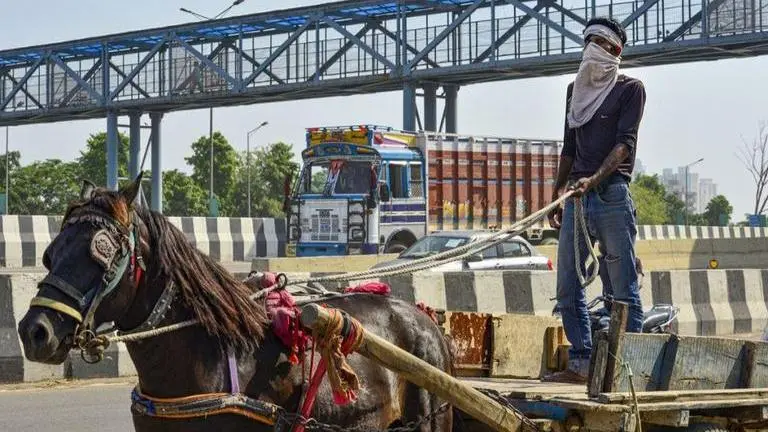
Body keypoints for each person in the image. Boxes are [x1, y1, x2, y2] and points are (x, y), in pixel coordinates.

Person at [543, 16, 647, 384]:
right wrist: (558, 192)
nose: (595, 50)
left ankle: (626, 367)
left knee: (622, 286)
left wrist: (594, 179)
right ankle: (582, 362)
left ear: (616, 53)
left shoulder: (631, 89)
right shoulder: (574, 91)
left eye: (604, 45)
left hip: (612, 194)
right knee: (567, 284)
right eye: (591, 43)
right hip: (575, 197)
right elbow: (569, 147)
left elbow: (624, 146)